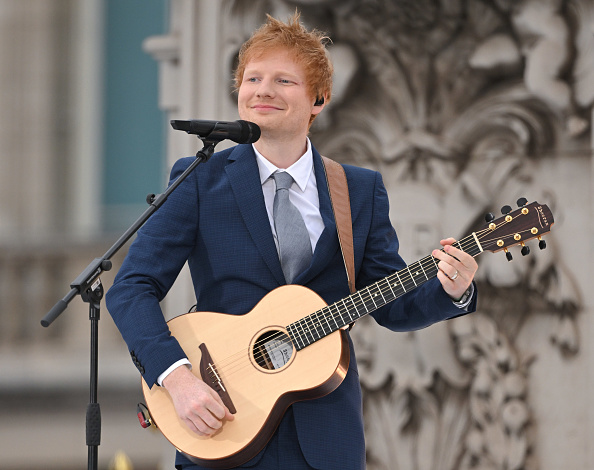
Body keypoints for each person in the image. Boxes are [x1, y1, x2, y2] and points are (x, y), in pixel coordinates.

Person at [106, 11, 478, 470]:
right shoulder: (199, 180)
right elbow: (130, 288)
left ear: (318, 99)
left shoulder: (358, 191)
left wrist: (450, 289)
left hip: (325, 444)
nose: (262, 89)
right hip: (224, 429)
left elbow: (391, 303)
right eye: (252, 78)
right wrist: (177, 379)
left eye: (283, 80)